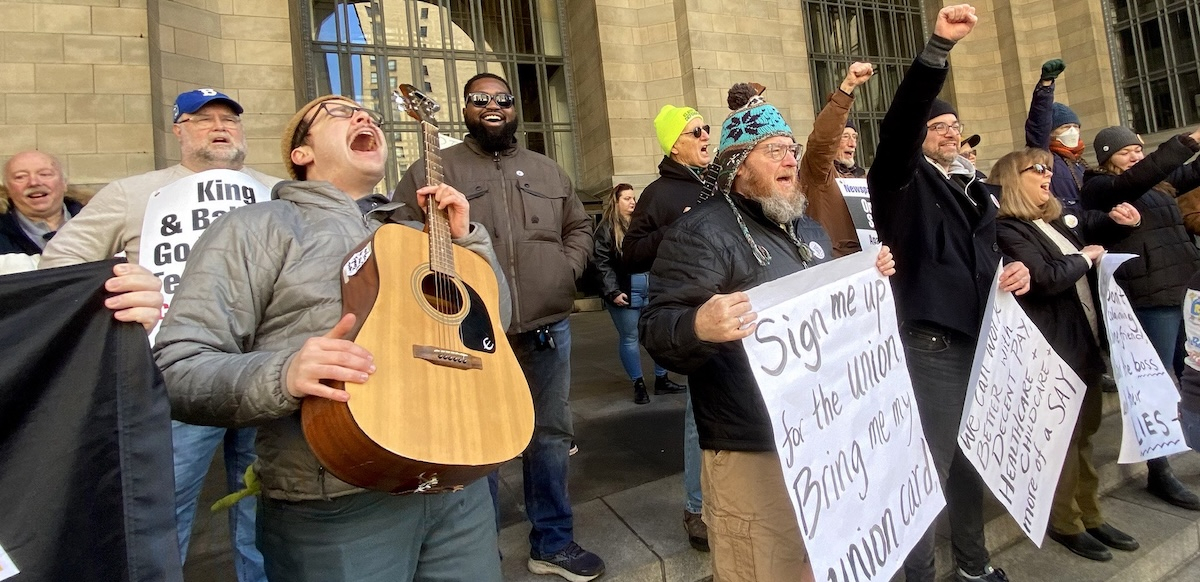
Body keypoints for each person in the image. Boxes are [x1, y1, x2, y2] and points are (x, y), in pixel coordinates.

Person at [154, 94, 507, 581]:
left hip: (457, 486)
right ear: (301, 153)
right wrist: (283, 373)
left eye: (371, 114)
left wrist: (466, 241)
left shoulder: (416, 231)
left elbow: (495, 330)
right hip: (336, 500)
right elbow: (175, 367)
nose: (365, 117)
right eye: (340, 112)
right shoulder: (256, 227)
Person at [640, 80, 895, 582]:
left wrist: (868, 275)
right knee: (762, 568)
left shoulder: (808, 230)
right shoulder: (702, 232)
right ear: (737, 166)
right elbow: (657, 329)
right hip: (750, 444)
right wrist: (698, 325)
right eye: (774, 150)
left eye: (792, 150)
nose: (789, 161)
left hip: (822, 438)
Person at [39, 88, 280, 581]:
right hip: (175, 374)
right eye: (202, 119)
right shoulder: (133, 193)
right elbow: (60, 263)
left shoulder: (278, 192)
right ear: (178, 130)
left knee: (267, 511)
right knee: (160, 509)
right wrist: (123, 294)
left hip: (268, 371)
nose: (219, 127)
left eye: (229, 120)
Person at [392, 72, 603, 581]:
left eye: (502, 98)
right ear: (465, 109)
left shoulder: (548, 170)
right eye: (479, 98)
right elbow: (397, 235)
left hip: (548, 329)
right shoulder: (435, 167)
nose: (492, 105)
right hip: (477, 336)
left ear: (515, 108)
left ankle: (552, 543)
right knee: (479, 443)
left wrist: (563, 270)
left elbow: (578, 227)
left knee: (550, 437)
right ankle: (477, 550)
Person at [867, 6, 1030, 581]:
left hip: (981, 336)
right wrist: (937, 49)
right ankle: (918, 575)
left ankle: (973, 562)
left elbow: (982, 254)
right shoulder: (900, 182)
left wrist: (1013, 273)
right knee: (928, 467)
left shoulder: (977, 190)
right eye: (940, 127)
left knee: (972, 460)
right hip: (931, 343)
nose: (952, 132)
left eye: (956, 125)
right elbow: (901, 126)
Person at [993, 148, 1142, 561]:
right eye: (1036, 169)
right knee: (1064, 443)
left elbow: (1092, 246)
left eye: (1049, 168)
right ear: (1010, 179)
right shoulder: (1008, 229)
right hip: (1056, 351)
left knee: (1086, 437)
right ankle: (1065, 522)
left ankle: (1091, 515)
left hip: (1085, 342)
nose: (1047, 174)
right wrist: (1084, 257)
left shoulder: (1053, 221)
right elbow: (1044, 277)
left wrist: (1114, 232)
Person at [1081, 123, 1200, 511]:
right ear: (1106, 158)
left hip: (1183, 291)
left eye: (1138, 148)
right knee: (1153, 383)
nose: (1135, 154)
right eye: (1125, 151)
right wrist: (1186, 141)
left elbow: (1190, 172)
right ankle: (1159, 469)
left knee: (1192, 376)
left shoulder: (1159, 185)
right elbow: (1134, 180)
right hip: (1149, 299)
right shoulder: (1099, 187)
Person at [621, 101, 711, 552]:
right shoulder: (658, 193)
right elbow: (632, 253)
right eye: (696, 132)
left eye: (707, 129)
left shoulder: (718, 182)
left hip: (734, 306)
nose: (705, 138)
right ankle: (696, 509)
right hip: (692, 313)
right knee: (699, 415)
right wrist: (676, 227)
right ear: (675, 144)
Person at [592, 183, 682, 404]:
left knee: (657, 332)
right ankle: (638, 383)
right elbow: (601, 263)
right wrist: (612, 291)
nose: (633, 202)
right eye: (627, 198)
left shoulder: (643, 225)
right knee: (630, 337)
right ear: (616, 202)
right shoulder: (606, 229)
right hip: (625, 289)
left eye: (634, 198)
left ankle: (662, 379)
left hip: (651, 286)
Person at [802, 62, 876, 258]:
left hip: (869, 269)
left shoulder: (864, 178)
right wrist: (847, 89)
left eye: (855, 138)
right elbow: (822, 141)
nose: (852, 143)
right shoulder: (819, 175)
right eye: (845, 137)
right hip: (834, 268)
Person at [0, 151, 82, 256]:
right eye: (20, 177)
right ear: (8, 189)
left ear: (64, 183)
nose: (34, 182)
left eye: (45, 174)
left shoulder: (96, 222)